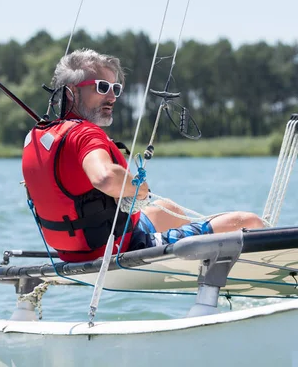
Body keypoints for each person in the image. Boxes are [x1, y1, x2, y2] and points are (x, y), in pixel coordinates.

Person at [22, 48, 264, 263]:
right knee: (249, 222)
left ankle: (186, 247)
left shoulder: (38, 137)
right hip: (120, 248)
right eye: (102, 87)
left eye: (116, 88)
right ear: (71, 93)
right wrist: (139, 189)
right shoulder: (86, 135)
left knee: (168, 209)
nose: (112, 97)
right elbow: (105, 177)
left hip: (71, 251)